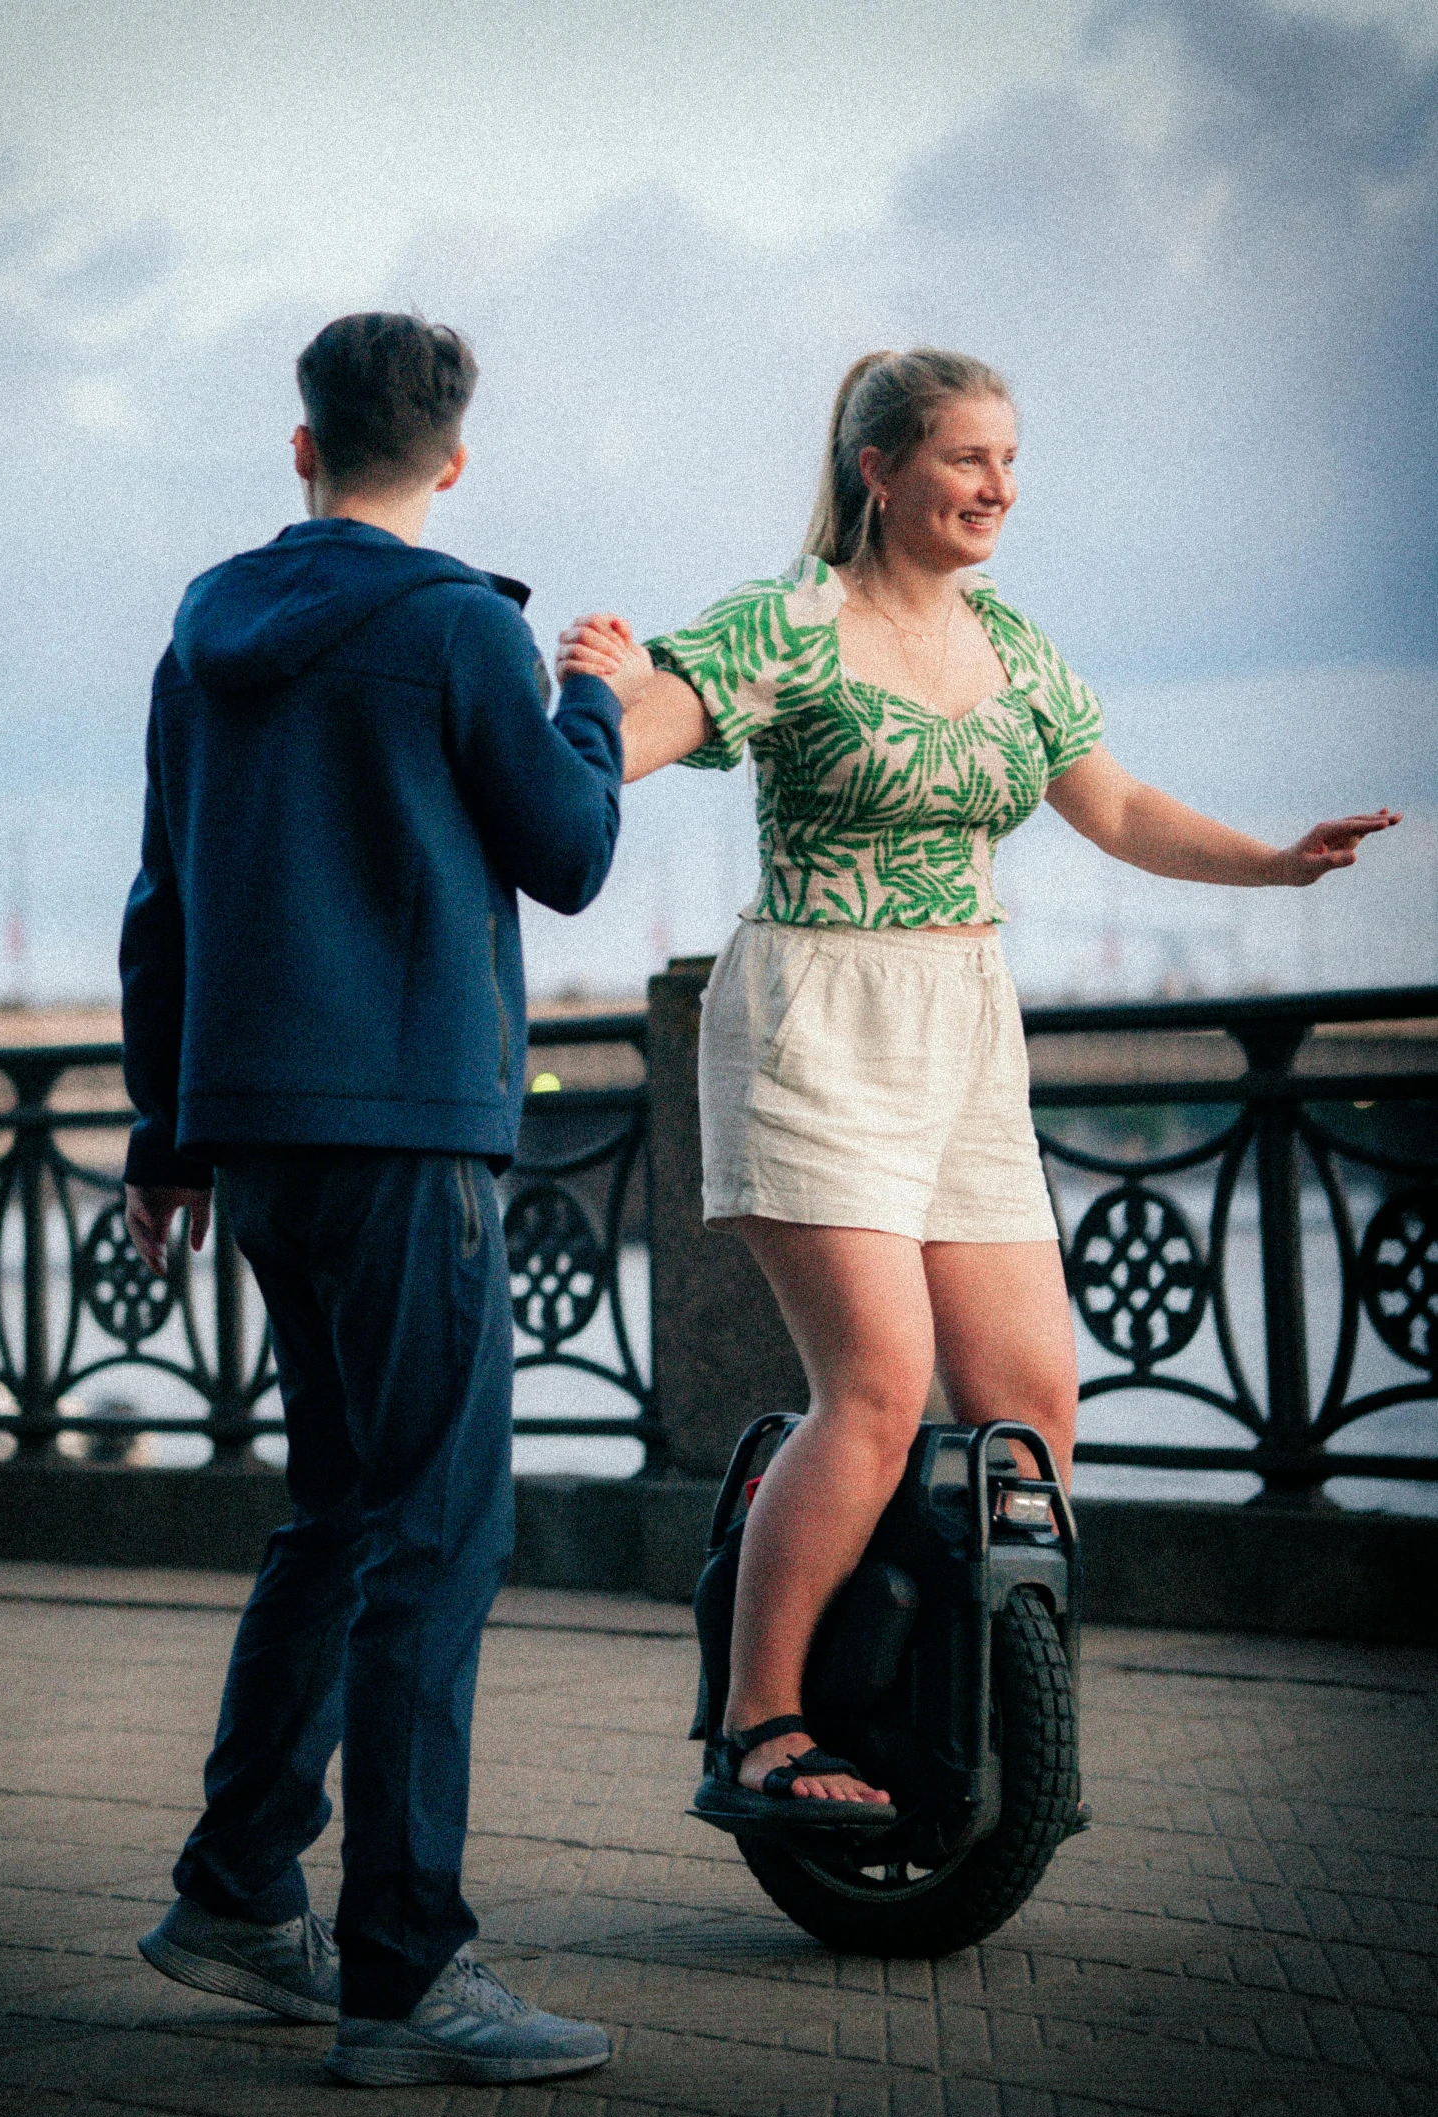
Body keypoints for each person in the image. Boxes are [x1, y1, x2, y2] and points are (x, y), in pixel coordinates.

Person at [556, 346, 1398, 1827]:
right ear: (878, 470)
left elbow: (1117, 802)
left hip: (962, 1030)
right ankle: (758, 1724)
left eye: (1011, 459)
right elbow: (641, 739)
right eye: (967, 458)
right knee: (876, 1389)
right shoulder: (792, 623)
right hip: (815, 1019)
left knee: (1033, 1406)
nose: (999, 485)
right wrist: (594, 698)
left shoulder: (1012, 644)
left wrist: (1274, 860)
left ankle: (985, 1700)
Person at [119, 313, 621, 2084]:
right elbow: (564, 850)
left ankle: (246, 1890)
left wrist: (164, 1132)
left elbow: (164, 890)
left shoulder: (204, 623)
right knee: (436, 1536)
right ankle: (407, 1974)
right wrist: (597, 700)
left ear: (303, 446)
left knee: (337, 1512)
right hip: (410, 1132)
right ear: (456, 458)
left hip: (254, 1134)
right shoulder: (460, 626)